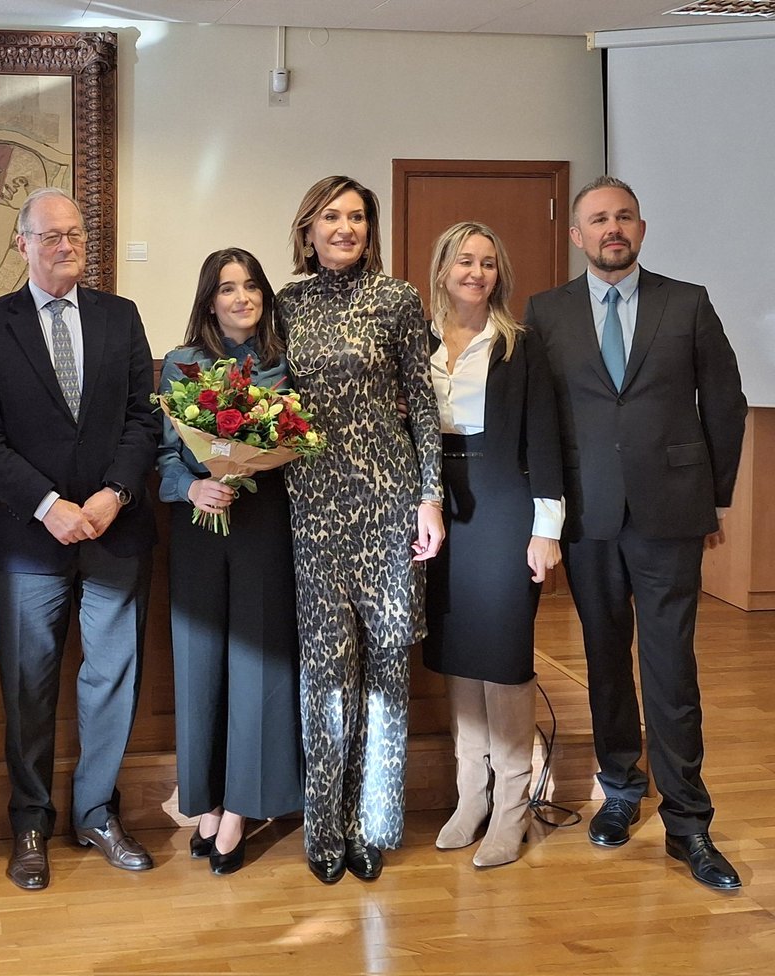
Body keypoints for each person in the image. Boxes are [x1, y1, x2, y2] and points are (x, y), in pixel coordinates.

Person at [524, 176, 747, 890]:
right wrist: (548, 517)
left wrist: (713, 500)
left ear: (641, 230)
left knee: (670, 667)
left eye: (623, 217)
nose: (611, 228)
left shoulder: (688, 302)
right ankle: (620, 787)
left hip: (670, 515)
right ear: (577, 235)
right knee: (604, 660)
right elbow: (540, 421)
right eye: (598, 219)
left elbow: (725, 402)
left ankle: (689, 821)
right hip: (588, 517)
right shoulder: (546, 312)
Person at [0, 188, 160, 891]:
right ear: (22, 245)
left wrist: (114, 493)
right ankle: (30, 822)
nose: (66, 245)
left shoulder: (120, 315)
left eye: (74, 233)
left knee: (112, 679)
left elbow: (144, 417)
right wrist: (48, 506)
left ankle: (98, 812)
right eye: (50, 236)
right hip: (28, 539)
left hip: (114, 532)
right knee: (28, 687)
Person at [277, 175, 445, 885]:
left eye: (356, 217)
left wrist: (430, 498)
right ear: (308, 229)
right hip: (313, 507)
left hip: (388, 504)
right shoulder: (284, 305)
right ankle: (324, 827)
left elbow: (423, 404)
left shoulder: (397, 298)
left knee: (386, 672)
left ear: (370, 230)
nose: (344, 227)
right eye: (331, 216)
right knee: (326, 675)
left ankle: (371, 824)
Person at [157, 248, 304, 876]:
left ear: (265, 296)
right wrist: (192, 486)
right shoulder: (181, 363)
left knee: (256, 664)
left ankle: (242, 806)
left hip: (262, 525)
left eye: (251, 286)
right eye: (227, 288)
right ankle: (207, 800)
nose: (241, 297)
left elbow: (300, 445)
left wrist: (245, 467)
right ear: (209, 300)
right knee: (199, 666)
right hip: (198, 525)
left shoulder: (286, 365)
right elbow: (166, 453)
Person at [421, 222, 563, 868]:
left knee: (503, 656)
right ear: (442, 269)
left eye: (487, 263)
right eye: (464, 261)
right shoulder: (418, 340)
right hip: (439, 507)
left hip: (505, 507)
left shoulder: (520, 345)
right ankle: (470, 796)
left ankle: (512, 805)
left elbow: (545, 438)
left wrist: (546, 529)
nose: (476, 272)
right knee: (459, 651)